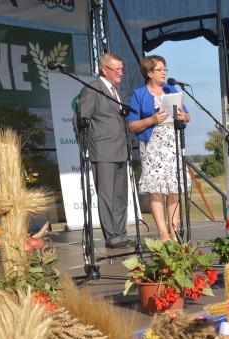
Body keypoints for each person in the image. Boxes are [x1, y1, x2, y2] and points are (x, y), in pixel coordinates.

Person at [126, 55, 191, 241]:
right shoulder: (139, 94)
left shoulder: (171, 89)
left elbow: (187, 116)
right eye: (160, 70)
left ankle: (173, 230)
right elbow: (132, 126)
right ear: (149, 73)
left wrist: (182, 116)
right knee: (156, 190)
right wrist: (152, 120)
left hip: (173, 146)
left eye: (165, 69)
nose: (164, 73)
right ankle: (162, 233)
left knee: (174, 189)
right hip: (152, 147)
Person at [75, 52, 133, 249]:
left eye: (122, 70)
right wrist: (87, 147)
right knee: (107, 195)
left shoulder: (116, 90)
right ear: (104, 70)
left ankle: (121, 233)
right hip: (103, 150)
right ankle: (112, 236)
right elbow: (81, 120)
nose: (120, 74)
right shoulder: (93, 89)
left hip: (120, 149)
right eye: (117, 70)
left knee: (120, 196)